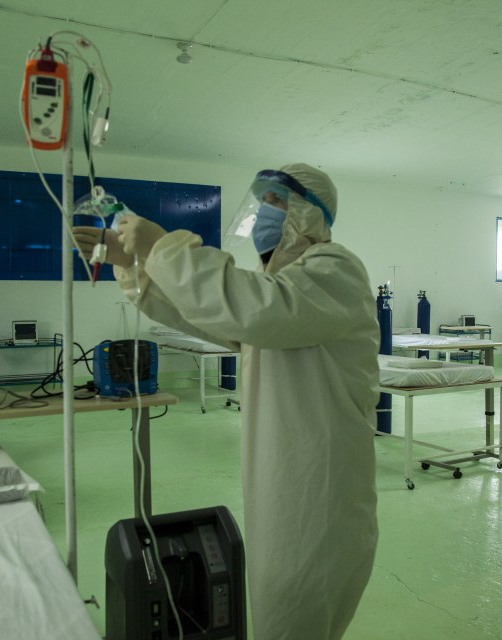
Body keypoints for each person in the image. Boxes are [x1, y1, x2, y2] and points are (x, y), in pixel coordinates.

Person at [74, 163, 379, 640]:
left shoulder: (333, 270)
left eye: (278, 203)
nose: (265, 213)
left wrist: (160, 246)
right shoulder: (278, 288)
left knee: (297, 607)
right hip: (280, 475)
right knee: (279, 601)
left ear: (308, 214)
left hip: (321, 487)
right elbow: (208, 315)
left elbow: (253, 307)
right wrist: (132, 264)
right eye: (264, 203)